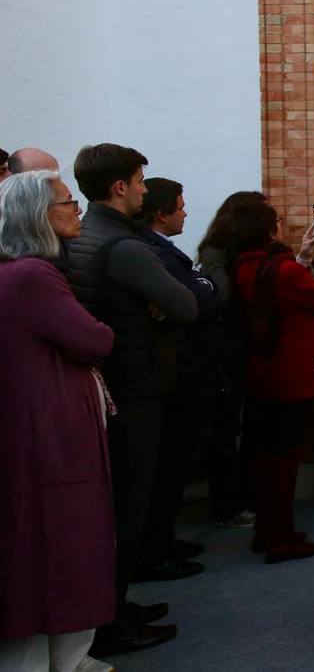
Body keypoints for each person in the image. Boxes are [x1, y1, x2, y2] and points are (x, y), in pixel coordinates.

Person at [65, 144, 197, 657]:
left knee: (122, 506)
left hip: (117, 382)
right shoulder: (122, 247)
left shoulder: (94, 235)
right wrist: (158, 303)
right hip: (133, 386)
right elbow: (185, 302)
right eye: (141, 181)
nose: (146, 188)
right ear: (120, 187)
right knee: (125, 506)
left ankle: (116, 605)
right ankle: (110, 619)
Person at [0, 171, 117, 672]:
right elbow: (93, 339)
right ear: (38, 217)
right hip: (48, 436)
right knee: (56, 546)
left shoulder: (23, 271)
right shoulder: (32, 275)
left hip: (36, 430)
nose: (77, 211)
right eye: (68, 203)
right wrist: (105, 328)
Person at [232, 199, 314, 563]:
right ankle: (281, 538)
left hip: (262, 372)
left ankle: (269, 531)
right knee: (284, 459)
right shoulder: (281, 270)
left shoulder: (246, 264)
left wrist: (304, 258)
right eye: (277, 220)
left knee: (266, 457)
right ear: (266, 228)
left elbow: (284, 291)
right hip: (290, 373)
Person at [134, 178, 219, 581]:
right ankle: (155, 549)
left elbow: (200, 290)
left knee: (175, 467)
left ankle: (164, 540)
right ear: (161, 212)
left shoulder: (163, 252)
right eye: (180, 206)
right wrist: (200, 287)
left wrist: (200, 287)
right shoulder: (151, 253)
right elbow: (198, 300)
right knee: (164, 472)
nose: (186, 212)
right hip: (173, 375)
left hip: (181, 374)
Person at [196, 191, 268, 529]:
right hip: (228, 351)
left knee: (246, 426)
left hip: (249, 348)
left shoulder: (245, 254)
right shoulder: (217, 253)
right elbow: (225, 297)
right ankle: (228, 503)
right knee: (226, 428)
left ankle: (249, 496)